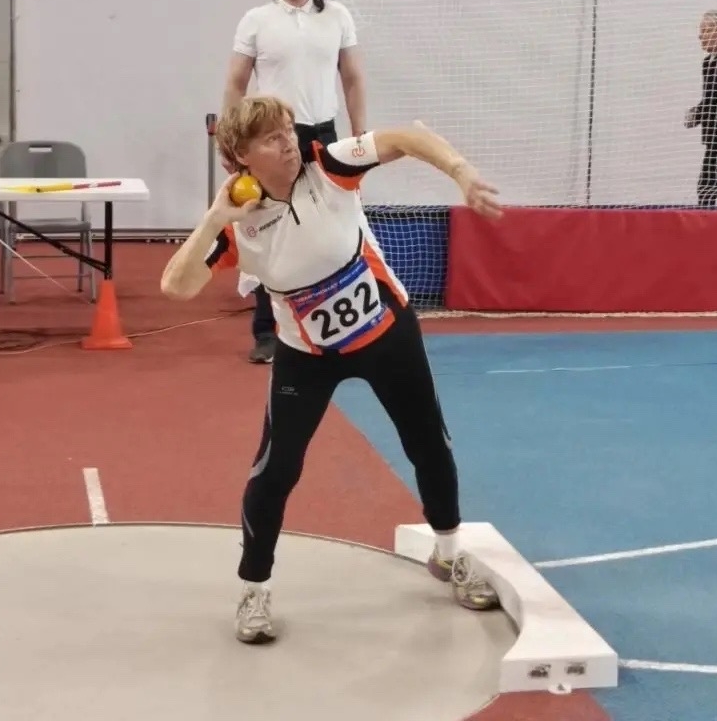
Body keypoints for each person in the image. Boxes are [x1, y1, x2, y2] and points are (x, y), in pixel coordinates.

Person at [161, 96, 504, 645]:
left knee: (428, 443)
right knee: (275, 470)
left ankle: (449, 554)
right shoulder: (237, 226)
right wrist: (215, 218)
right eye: (272, 139)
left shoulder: (329, 164)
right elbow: (176, 286)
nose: (289, 143)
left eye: (288, 130)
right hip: (306, 356)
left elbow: (404, 138)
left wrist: (461, 172)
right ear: (242, 157)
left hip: (387, 333)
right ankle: (254, 588)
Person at [223, 0, 367, 364]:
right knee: (270, 227)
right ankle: (268, 332)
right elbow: (235, 83)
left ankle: (337, 325)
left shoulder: (337, 16)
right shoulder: (256, 21)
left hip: (325, 134)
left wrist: (361, 134)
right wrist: (232, 142)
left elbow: (353, 78)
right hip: (273, 139)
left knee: (333, 224)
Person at [685, 10, 717, 208]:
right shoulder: (708, 63)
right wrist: (697, 113)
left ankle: (706, 222)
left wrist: (699, 113)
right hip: (716, 138)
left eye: (705, 30)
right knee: (710, 188)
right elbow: (712, 98)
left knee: (713, 187)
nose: (700, 36)